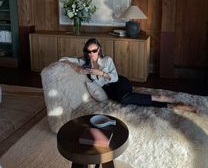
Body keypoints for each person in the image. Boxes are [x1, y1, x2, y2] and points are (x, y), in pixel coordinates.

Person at [60, 38, 197, 113]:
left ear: (99, 50)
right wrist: (77, 67)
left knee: (125, 98)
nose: (91, 54)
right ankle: (166, 103)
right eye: (88, 51)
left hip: (120, 83)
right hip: (109, 90)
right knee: (124, 99)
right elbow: (63, 59)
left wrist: (100, 73)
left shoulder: (107, 60)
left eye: (94, 51)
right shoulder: (84, 63)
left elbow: (115, 77)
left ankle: (164, 101)